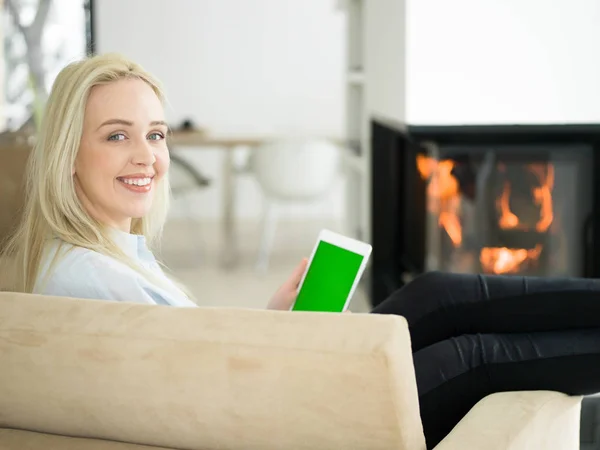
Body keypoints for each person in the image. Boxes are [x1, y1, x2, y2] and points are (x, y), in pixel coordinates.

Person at [2, 53, 600, 449]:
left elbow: (178, 368)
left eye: (155, 134)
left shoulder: (97, 255)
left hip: (268, 394)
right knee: (473, 357)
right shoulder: (90, 279)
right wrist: (286, 350)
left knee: (437, 294)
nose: (149, 156)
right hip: (287, 422)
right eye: (116, 136)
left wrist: (273, 327)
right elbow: (193, 409)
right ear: (66, 154)